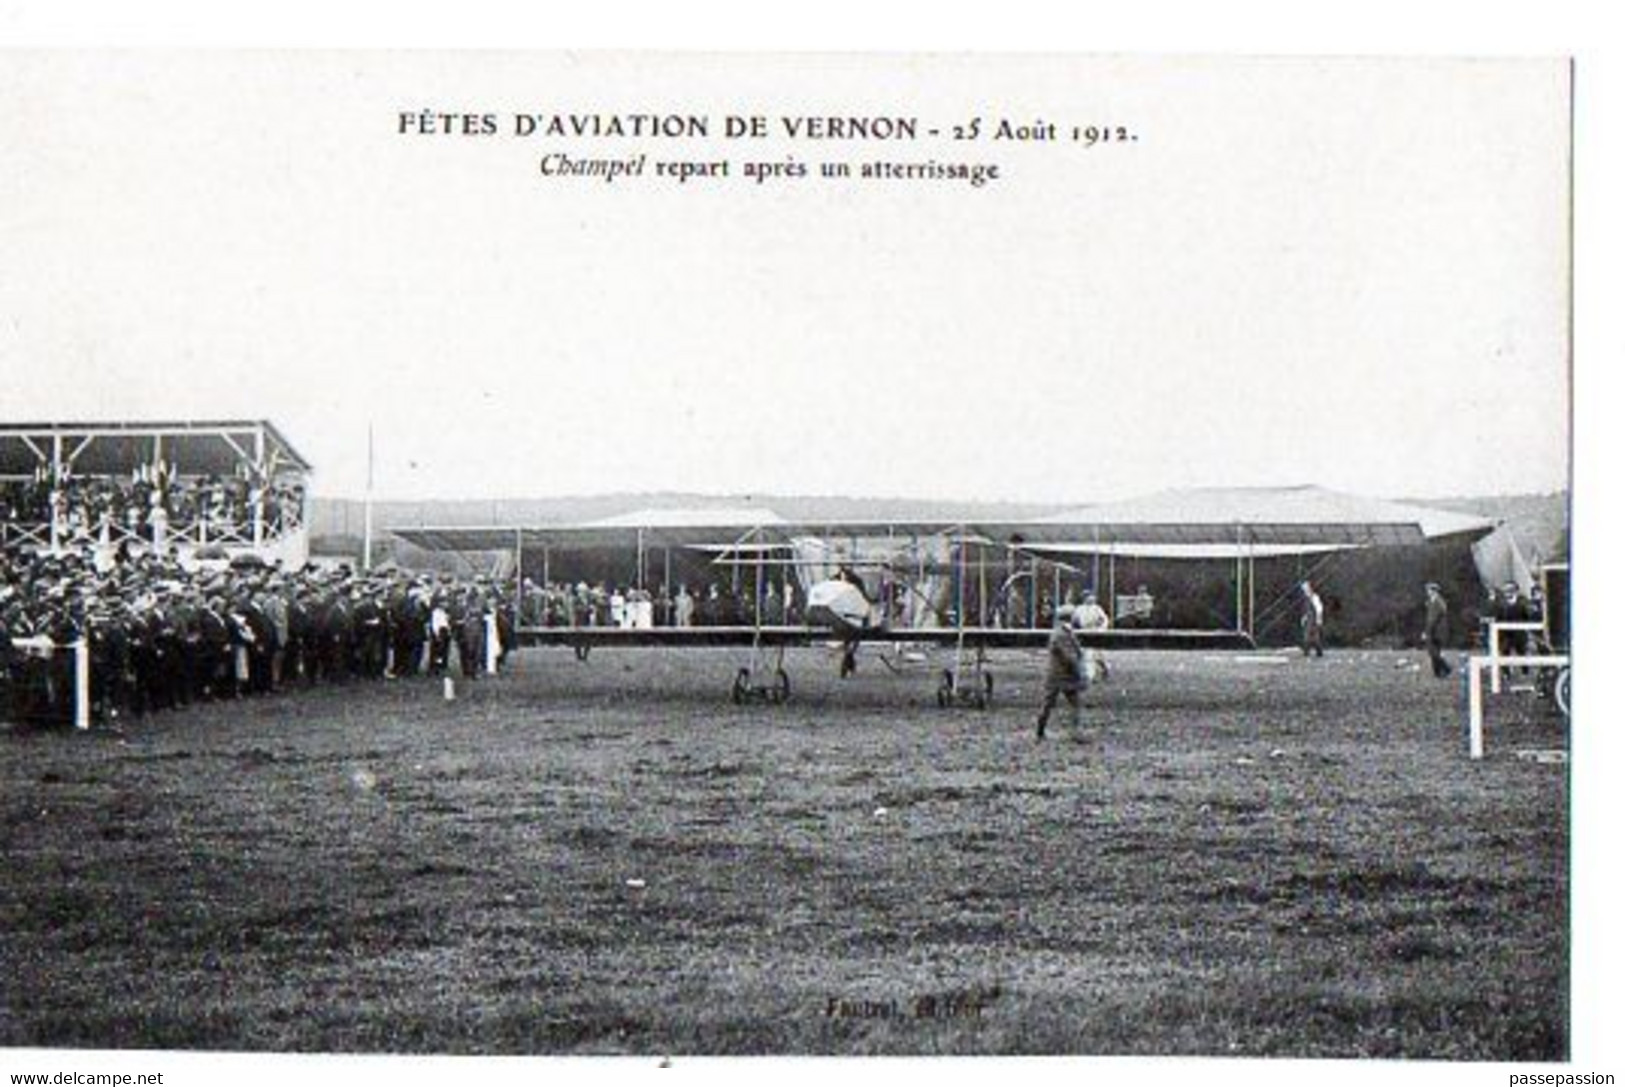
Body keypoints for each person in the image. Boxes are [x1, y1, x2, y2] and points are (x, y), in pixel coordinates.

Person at [1036, 604, 1087, 741]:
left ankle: (1075, 733)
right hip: (1059, 676)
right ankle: (1040, 731)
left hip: (1063, 675)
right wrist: (1079, 670)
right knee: (1048, 705)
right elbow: (1068, 656)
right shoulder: (1060, 634)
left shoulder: (1065, 631)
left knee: (1074, 704)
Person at [1072, 590, 1111, 682]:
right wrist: (1077, 630)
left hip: (1096, 633)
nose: (1090, 598)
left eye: (1091, 596)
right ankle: (1090, 676)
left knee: (1099, 655)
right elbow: (1074, 621)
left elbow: (1105, 620)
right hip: (1084, 633)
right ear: (1084, 599)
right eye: (1087, 597)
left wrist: (1101, 629)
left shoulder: (1097, 608)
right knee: (1088, 654)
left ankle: (1106, 668)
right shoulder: (1079, 609)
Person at [1423, 582, 1452, 678]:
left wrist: (1427, 632)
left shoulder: (1438, 602)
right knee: (1434, 652)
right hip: (1434, 630)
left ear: (1434, 591)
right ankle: (1438, 673)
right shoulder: (1432, 601)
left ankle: (1446, 669)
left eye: (1429, 590)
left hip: (1437, 631)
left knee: (1433, 652)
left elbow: (1433, 619)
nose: (1427, 592)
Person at [1299, 580, 1325, 658]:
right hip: (1308, 619)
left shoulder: (1314, 597)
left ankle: (1318, 652)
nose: (1304, 591)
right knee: (1307, 636)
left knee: (1314, 636)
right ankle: (1308, 652)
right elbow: (1306, 610)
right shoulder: (1306, 598)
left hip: (1314, 619)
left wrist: (1319, 618)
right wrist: (1304, 618)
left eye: (1305, 589)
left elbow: (1319, 608)